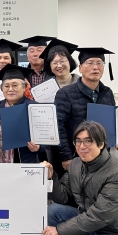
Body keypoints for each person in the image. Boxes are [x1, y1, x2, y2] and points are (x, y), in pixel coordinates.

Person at [0, 64, 44, 235]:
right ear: (1, 88)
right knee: (9, 200)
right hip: (3, 161)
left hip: (25, 160)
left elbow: (46, 137)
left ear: (24, 87)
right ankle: (14, 234)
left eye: (15, 85)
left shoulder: (33, 107)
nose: (10, 89)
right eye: (6, 86)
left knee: (28, 201)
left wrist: (39, 147)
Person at [54, 47, 118, 173]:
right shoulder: (65, 94)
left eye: (99, 63)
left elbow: (112, 122)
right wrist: (66, 157)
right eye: (90, 63)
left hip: (101, 158)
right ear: (80, 68)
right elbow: (59, 127)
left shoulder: (107, 92)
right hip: (76, 157)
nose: (95, 67)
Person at [39, 39, 80, 178]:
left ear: (70, 62)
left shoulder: (82, 84)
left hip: (79, 142)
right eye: (54, 62)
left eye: (62, 61)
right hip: (54, 145)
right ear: (49, 66)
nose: (59, 65)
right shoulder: (42, 91)